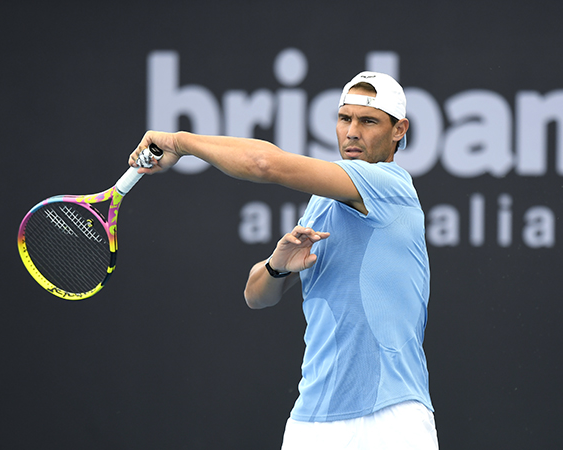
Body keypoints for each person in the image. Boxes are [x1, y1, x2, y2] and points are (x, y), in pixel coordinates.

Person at [129, 71, 438, 449]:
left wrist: (180, 142)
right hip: (311, 422)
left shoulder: (388, 184)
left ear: (398, 130)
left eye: (368, 121)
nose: (352, 131)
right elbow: (257, 295)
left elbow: (264, 164)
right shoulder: (324, 200)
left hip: (390, 419)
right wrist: (278, 265)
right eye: (345, 119)